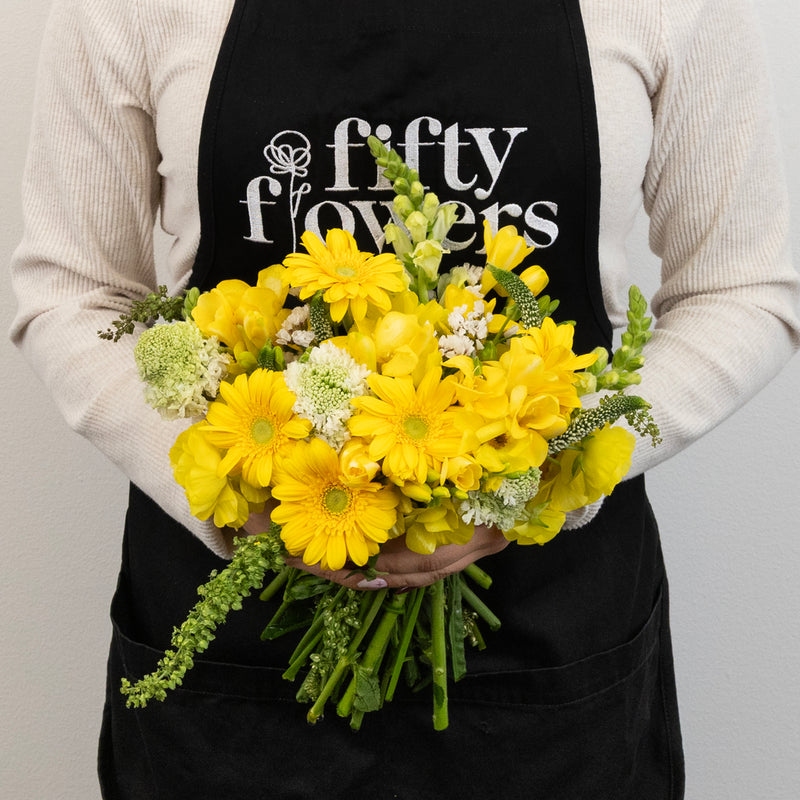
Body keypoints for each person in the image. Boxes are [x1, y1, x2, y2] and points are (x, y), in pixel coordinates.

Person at [9, 0, 799, 798]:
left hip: (551, 658)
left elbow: (741, 288)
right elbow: (74, 291)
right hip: (234, 654)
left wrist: (537, 478)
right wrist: (227, 493)